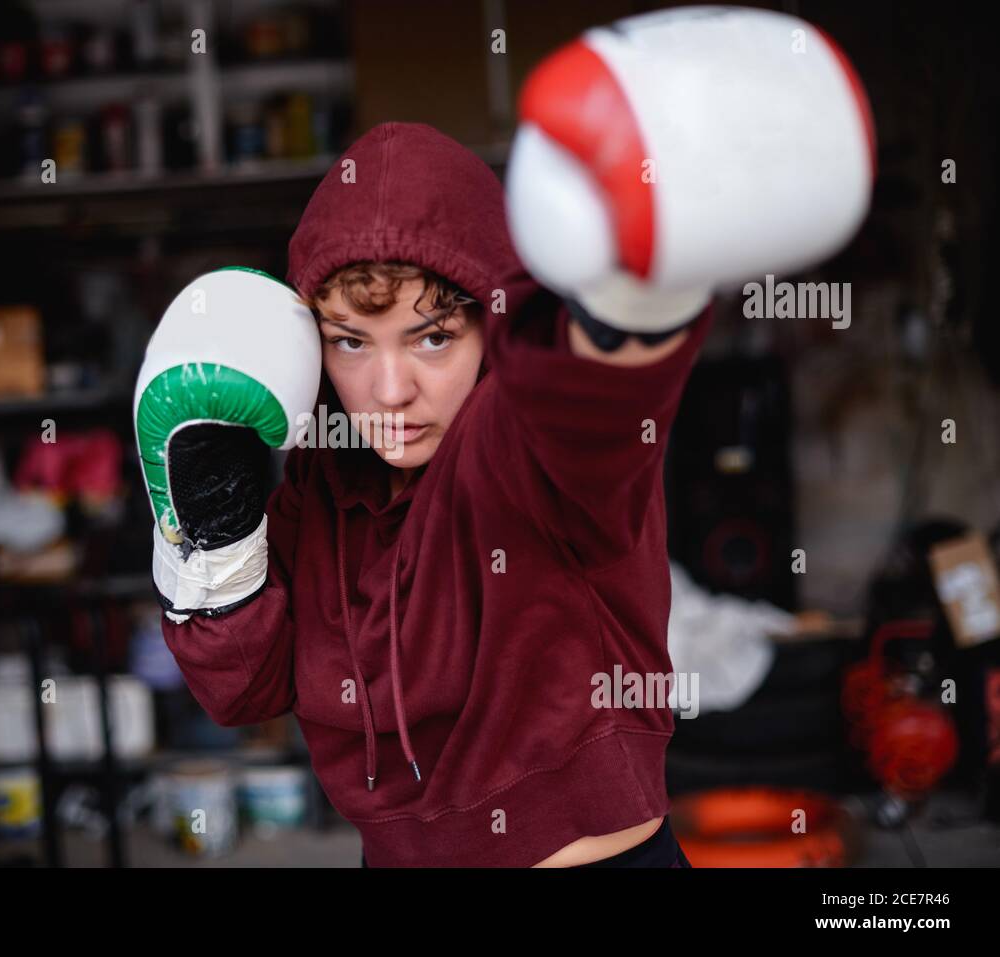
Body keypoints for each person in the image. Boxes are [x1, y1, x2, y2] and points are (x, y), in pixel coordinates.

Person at [134, 8, 873, 866]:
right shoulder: (321, 484)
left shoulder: (526, 447)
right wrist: (215, 528)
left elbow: (589, 398)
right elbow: (245, 693)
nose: (389, 389)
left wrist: (632, 294)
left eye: (433, 337)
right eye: (349, 341)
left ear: (492, 326)